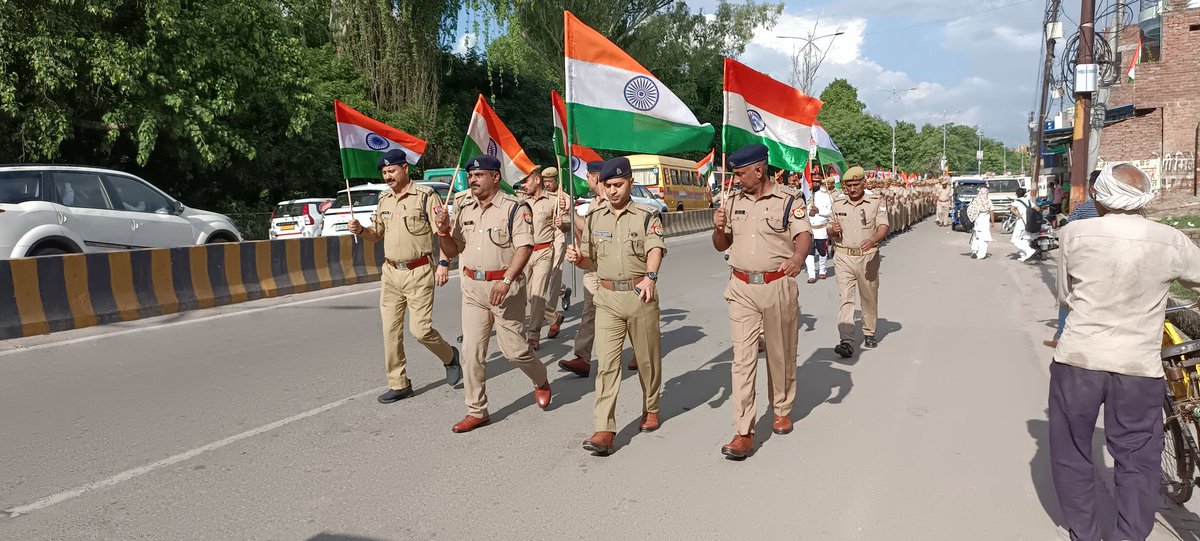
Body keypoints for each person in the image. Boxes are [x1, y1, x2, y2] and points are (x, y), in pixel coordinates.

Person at [1050, 162, 1200, 541]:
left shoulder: (1074, 234)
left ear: (1099, 196)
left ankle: (1083, 533)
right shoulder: (1171, 240)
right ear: (1143, 199)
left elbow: (1066, 296)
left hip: (1080, 359)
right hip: (1138, 366)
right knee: (1138, 459)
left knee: (1071, 451)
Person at [710, 144, 812, 460]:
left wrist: (798, 257)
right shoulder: (732, 202)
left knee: (780, 355)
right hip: (741, 288)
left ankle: (781, 408)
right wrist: (718, 227)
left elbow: (803, 234)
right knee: (742, 360)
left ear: (759, 169)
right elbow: (720, 245)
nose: (737, 179)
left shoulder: (789, 199)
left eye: (740, 173)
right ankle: (744, 431)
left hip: (777, 286)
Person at [439, 155, 552, 433]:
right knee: (472, 352)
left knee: (514, 352)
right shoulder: (465, 208)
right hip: (472, 289)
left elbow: (525, 247)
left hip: (505, 288)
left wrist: (506, 279)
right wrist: (442, 231)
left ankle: (541, 380)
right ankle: (477, 410)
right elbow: (453, 250)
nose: (473, 180)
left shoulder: (515, 208)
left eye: (479, 175)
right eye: (470, 176)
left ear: (495, 177)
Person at [566, 156, 666, 455]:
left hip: (639, 295)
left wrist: (650, 278)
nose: (611, 191)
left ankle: (651, 406)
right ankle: (604, 429)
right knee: (607, 366)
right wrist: (577, 258)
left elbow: (656, 248)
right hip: (607, 298)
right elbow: (590, 259)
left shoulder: (647, 215)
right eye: (607, 185)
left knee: (647, 361)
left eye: (618, 185)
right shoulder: (595, 217)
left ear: (630, 183)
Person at [348, 149, 460, 404]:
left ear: (405, 169)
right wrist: (361, 230)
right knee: (390, 331)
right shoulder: (384, 200)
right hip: (390, 273)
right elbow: (376, 233)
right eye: (384, 173)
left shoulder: (425, 196)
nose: (388, 176)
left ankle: (449, 356)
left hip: (419, 271)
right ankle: (399, 384)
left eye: (392, 171)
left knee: (420, 331)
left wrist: (444, 262)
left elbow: (442, 232)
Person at [558, 161, 639, 376]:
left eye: (587, 177)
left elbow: (591, 230)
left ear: (595, 177)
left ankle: (639, 350)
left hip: (611, 269)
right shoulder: (594, 202)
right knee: (589, 313)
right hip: (592, 267)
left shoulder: (609, 202)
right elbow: (584, 237)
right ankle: (582, 357)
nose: (586, 181)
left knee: (625, 313)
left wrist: (572, 214)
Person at [829, 166, 889, 358]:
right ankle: (846, 340)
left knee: (868, 295)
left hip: (867, 256)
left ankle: (869, 330)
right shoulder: (837, 203)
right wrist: (833, 230)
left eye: (856, 184)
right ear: (844, 186)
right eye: (849, 185)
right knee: (845, 297)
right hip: (843, 256)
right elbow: (830, 231)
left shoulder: (875, 201)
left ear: (864, 183)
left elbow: (883, 226)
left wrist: (873, 240)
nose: (853, 189)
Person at [1045, 171, 1101, 349]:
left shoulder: (1084, 209)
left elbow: (1067, 233)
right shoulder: (1129, 215)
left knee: (1066, 296)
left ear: (1092, 189)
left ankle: (1061, 335)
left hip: (1083, 262)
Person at [520, 168, 566, 350]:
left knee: (537, 294)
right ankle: (554, 317)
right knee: (528, 295)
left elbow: (567, 224)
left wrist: (563, 224)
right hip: (525, 253)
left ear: (537, 180)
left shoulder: (554, 201)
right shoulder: (521, 202)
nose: (523, 185)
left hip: (544, 252)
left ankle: (533, 335)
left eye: (526, 181)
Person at [541, 167, 573, 340]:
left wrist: (564, 213)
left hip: (559, 237)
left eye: (550, 181)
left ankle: (551, 313)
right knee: (545, 273)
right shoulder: (542, 197)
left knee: (554, 271)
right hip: (543, 239)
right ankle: (563, 291)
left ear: (556, 181)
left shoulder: (564, 198)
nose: (547, 184)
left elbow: (570, 222)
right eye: (545, 182)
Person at [806, 173, 834, 283]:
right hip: (809, 228)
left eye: (817, 181)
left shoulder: (826, 196)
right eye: (813, 181)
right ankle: (811, 275)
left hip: (821, 229)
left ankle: (822, 271)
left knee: (822, 251)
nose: (815, 183)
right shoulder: (805, 194)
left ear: (821, 182)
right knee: (809, 252)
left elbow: (831, 212)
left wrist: (819, 211)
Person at [1009, 187, 1038, 263]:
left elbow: (1012, 209)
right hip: (1029, 222)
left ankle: (1029, 250)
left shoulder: (1017, 202)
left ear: (1016, 194)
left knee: (1015, 239)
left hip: (1021, 222)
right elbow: (1037, 208)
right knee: (1025, 239)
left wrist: (1018, 215)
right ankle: (1024, 256)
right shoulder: (1028, 201)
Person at [966, 186, 993, 260]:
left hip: (976, 222)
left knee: (975, 237)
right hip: (984, 223)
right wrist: (992, 222)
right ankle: (981, 254)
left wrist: (971, 219)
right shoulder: (988, 202)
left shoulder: (975, 201)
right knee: (984, 239)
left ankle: (974, 251)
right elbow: (992, 212)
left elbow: (969, 210)